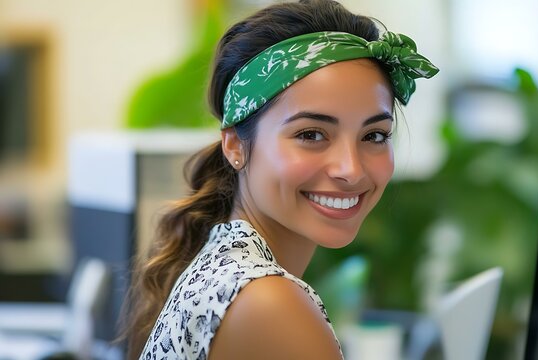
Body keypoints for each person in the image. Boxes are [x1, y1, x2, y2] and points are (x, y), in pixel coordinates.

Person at [123, 0, 438, 358]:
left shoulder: (230, 268)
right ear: (235, 145)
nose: (351, 169)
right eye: (312, 134)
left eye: (374, 136)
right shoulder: (269, 302)